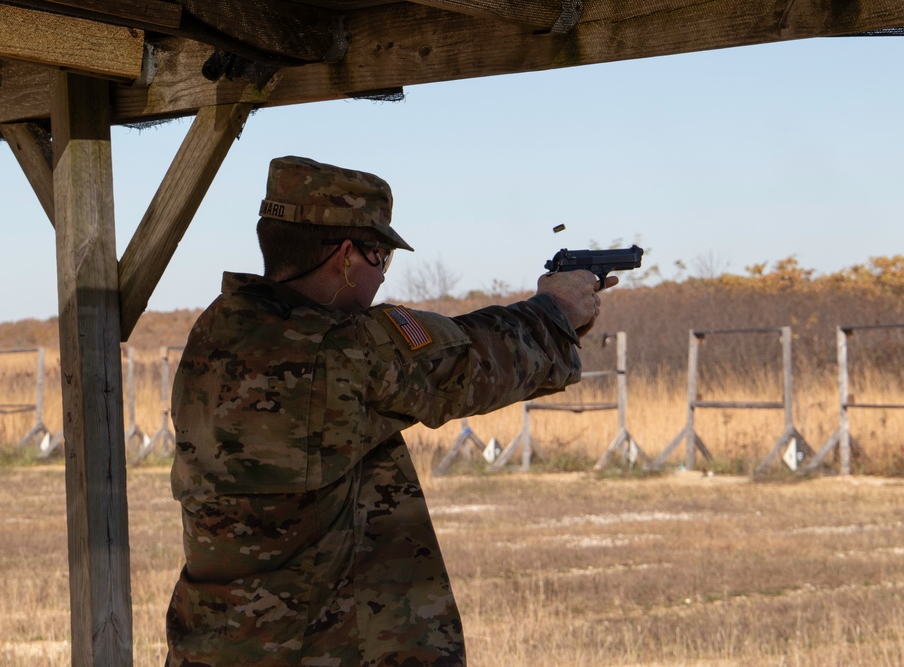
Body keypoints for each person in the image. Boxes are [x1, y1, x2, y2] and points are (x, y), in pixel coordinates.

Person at [165, 156, 617, 666]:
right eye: (380, 256)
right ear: (343, 256)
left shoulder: (213, 336)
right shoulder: (343, 350)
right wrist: (554, 312)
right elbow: (473, 356)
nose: (381, 276)